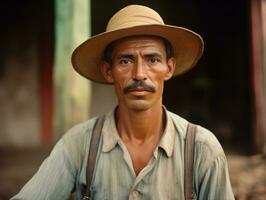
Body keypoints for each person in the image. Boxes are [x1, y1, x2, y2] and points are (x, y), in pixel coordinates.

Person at [12, 4, 234, 200]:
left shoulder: (201, 150)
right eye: (125, 60)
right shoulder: (79, 145)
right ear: (109, 71)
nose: (139, 74)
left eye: (152, 59)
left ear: (169, 67)